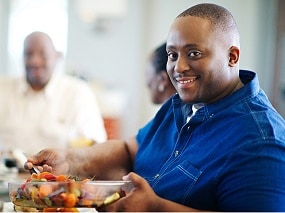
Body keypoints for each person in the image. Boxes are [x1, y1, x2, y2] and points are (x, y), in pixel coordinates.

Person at [25, 3, 285, 212]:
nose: (178, 67)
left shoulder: (261, 140)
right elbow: (129, 151)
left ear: (232, 56)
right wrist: (70, 161)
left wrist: (156, 208)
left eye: (193, 53)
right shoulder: (182, 106)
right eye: (173, 55)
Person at [0, 31, 107, 155]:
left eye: (43, 54)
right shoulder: (3, 89)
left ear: (56, 57)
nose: (35, 61)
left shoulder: (78, 93)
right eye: (28, 54)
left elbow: (96, 146)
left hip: (60, 173)